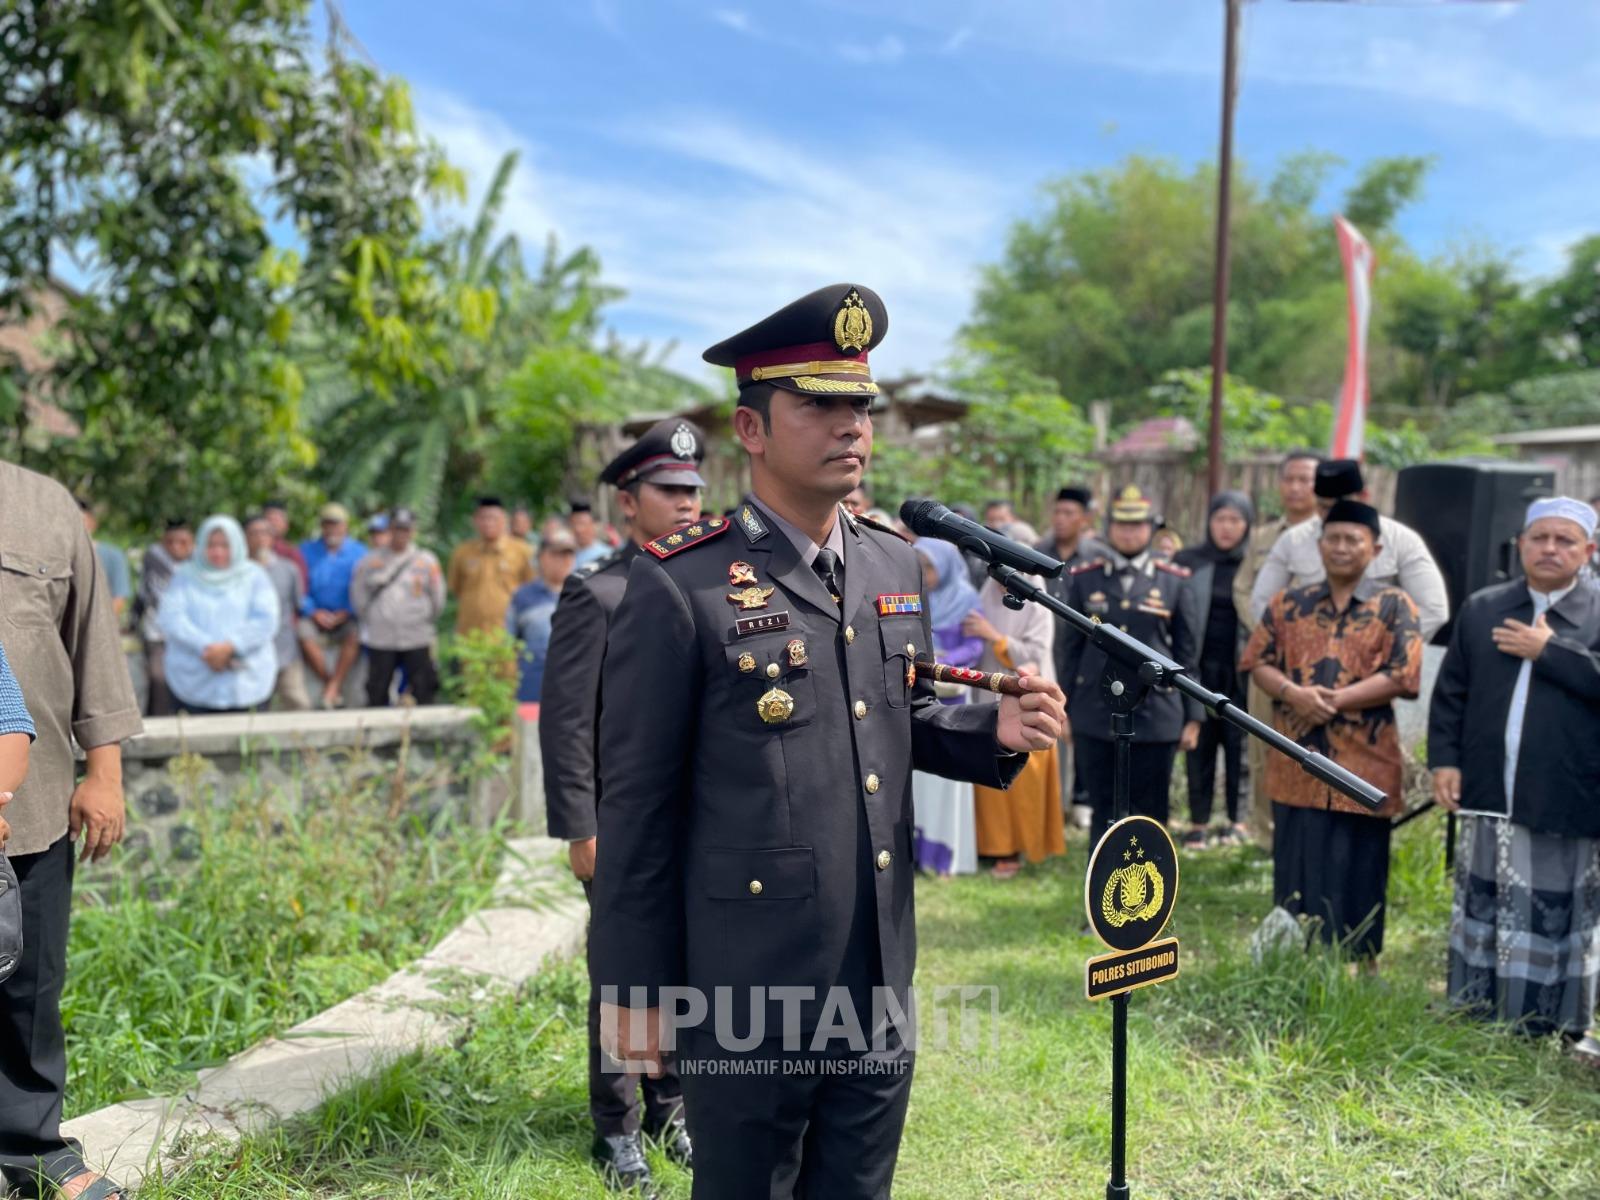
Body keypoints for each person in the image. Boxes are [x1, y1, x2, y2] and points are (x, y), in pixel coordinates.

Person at [591, 283, 1064, 1200]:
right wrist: (635, 990)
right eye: (819, 404)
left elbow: (895, 713)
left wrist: (991, 731)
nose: (850, 426)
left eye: (861, 407)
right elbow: (637, 807)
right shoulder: (681, 586)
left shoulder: (893, 560)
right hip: (743, 982)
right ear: (753, 430)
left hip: (878, 964)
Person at [540, 418, 707, 1194]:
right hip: (619, 823)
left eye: (694, 492)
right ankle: (617, 1129)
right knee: (624, 977)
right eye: (668, 492)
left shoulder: (704, 581)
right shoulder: (597, 591)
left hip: (695, 823)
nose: (685, 504)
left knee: (682, 972)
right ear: (627, 501)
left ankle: (671, 1106)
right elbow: (568, 722)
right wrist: (581, 825)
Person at [0, 459, 142, 1198]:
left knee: (29, 985)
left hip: (33, 797)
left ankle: (30, 1148)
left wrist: (105, 774)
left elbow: (92, 643)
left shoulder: (42, 504)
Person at [1429, 497, 1600, 1055]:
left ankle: (1551, 1024)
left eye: (1565, 540)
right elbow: (1451, 692)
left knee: (1554, 908)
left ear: (1589, 551)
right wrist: (1445, 761)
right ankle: (1477, 1004)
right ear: (1521, 544)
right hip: (1487, 788)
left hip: (1566, 793)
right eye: (1540, 538)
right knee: (1485, 900)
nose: (1551, 549)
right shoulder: (1484, 608)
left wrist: (1550, 651)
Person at [1241, 500, 1423, 970]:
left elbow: (1405, 674)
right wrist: (1290, 692)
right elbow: (1256, 661)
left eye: (1353, 540)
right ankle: (1290, 962)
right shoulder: (1288, 603)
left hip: (1365, 763)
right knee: (1296, 861)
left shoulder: (1394, 605)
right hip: (1296, 760)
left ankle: (1360, 965)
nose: (1342, 548)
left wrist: (1331, 701)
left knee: (1360, 863)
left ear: (1375, 548)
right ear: (1320, 545)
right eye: (1333, 538)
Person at [1059, 486, 1202, 844]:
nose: (1129, 532)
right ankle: (1101, 892)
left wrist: (1194, 716)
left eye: (1137, 525)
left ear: (1151, 529)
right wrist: (1063, 706)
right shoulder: (1085, 577)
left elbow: (1188, 656)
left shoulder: (1175, 581)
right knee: (1102, 808)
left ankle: (1152, 889)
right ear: (1109, 527)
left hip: (1156, 714)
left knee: (1151, 813)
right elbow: (1069, 649)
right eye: (1122, 525)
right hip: (1094, 711)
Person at [1248, 458, 1448, 640]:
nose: (1335, 515)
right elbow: (1262, 602)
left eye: (1341, 505)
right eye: (1324, 507)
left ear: (1364, 497)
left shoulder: (1401, 540)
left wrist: (1382, 648)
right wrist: (1296, 646)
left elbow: (1433, 609)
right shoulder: (1293, 540)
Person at [967, 521, 1064, 879]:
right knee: (990, 775)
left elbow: (1036, 654)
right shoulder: (987, 591)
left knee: (1024, 778)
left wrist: (995, 638)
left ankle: (1021, 848)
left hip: (1027, 702)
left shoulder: (1036, 593)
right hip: (987, 696)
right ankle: (994, 846)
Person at [1236, 451, 1322, 845]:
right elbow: (1242, 588)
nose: (1296, 487)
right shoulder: (1262, 538)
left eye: (1306, 479)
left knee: (1312, 748)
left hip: (1320, 662)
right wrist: (1266, 631)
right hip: (1267, 657)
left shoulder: (1332, 536)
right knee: (1261, 745)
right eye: (1290, 479)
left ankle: (1305, 833)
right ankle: (1264, 834)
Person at [1173, 492, 1255, 849]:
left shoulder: (1254, 563)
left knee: (1240, 747)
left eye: (1235, 520)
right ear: (1209, 522)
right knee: (1200, 745)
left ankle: (1238, 821)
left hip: (1241, 671)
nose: (1227, 528)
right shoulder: (1188, 561)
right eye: (1220, 519)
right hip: (1198, 669)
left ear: (1247, 525)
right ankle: (1198, 821)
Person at [910, 538, 984, 878]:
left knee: (949, 781)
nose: (925, 574)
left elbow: (974, 646)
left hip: (953, 698)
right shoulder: (910, 596)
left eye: (929, 566)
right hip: (917, 697)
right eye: (919, 566)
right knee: (920, 781)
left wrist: (944, 662)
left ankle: (945, 859)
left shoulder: (967, 599)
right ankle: (916, 853)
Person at [157, 516, 280, 715]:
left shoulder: (255, 575)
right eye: (211, 544)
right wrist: (208, 648)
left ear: (238, 544)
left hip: (246, 681)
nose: (218, 552)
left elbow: (266, 620)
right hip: (194, 680)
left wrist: (231, 647)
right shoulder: (185, 576)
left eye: (225, 545)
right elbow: (172, 618)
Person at [1038, 485, 1108, 830]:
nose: (1062, 520)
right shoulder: (1037, 553)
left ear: (1084, 519)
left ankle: (1082, 797)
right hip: (1046, 651)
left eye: (1070, 513)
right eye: (1058, 512)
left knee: (1081, 725)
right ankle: (1052, 801)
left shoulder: (1098, 556)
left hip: (1084, 656)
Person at [351, 508, 444, 708]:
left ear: (413, 531)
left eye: (406, 529)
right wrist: (374, 618)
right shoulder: (370, 561)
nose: (401, 534)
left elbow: (438, 598)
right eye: (397, 529)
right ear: (389, 530)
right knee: (377, 689)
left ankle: (424, 736)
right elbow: (358, 596)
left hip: (416, 635)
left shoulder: (427, 561)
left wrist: (423, 619)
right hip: (381, 638)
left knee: (423, 688)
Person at [299, 503, 368, 708]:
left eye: (337, 525)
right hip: (316, 615)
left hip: (346, 615)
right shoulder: (306, 551)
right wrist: (313, 611)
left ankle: (334, 684)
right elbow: (299, 587)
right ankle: (330, 682)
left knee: (355, 634)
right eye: (328, 525)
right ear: (321, 527)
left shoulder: (360, 552)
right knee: (302, 632)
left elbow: (363, 587)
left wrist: (347, 610)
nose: (332, 530)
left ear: (345, 527)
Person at [244, 514, 310, 711]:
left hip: (285, 648)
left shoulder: (289, 569)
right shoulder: (237, 572)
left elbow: (297, 604)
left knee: (298, 702)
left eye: (265, 532)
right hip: (250, 652)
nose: (261, 538)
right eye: (254, 533)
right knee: (255, 707)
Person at [506, 530, 578, 705]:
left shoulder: (585, 595)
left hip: (575, 691)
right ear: (543, 557)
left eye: (569, 555)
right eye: (558, 555)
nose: (565, 561)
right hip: (533, 689)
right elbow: (508, 644)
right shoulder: (523, 597)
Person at [447, 497, 535, 636]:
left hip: (507, 635)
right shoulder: (462, 553)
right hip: (470, 636)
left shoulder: (523, 551)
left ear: (504, 520)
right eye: (483, 518)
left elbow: (532, 589)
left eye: (493, 518)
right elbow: (457, 589)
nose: (488, 523)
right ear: (475, 520)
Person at [134, 518, 193, 716]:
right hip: (157, 635)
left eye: (182, 542)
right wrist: (134, 621)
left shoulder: (200, 566)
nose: (176, 547)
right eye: (170, 542)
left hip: (190, 636)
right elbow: (143, 592)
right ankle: (157, 722)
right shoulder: (154, 559)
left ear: (191, 543)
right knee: (158, 679)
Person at [76, 500, 129, 624]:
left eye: (80, 520)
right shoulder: (52, 557)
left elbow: (118, 599)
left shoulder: (113, 556)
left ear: (92, 523)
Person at [261, 500, 308, 590]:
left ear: (286, 525)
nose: (272, 525)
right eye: (269, 520)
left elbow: (301, 586)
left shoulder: (292, 553)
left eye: (277, 520)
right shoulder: (249, 550)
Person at [569, 501, 612, 570]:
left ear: (593, 525)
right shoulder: (566, 555)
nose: (578, 529)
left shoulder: (606, 555)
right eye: (574, 524)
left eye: (582, 523)